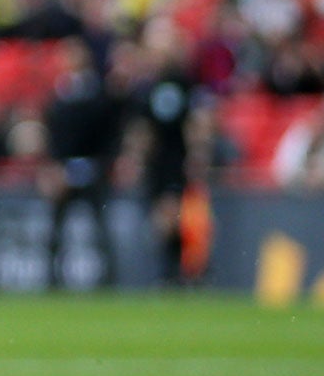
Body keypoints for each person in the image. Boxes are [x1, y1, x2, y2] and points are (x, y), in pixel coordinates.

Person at [120, 19, 212, 285]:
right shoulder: (146, 87)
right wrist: (134, 157)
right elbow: (141, 128)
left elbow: (196, 122)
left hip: (176, 159)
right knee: (162, 219)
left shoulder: (184, 82)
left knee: (171, 217)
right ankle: (176, 273)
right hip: (156, 163)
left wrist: (197, 154)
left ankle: (179, 273)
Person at [42, 35, 125, 290]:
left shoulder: (98, 93)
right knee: (56, 232)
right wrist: (55, 167)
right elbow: (53, 135)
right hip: (64, 169)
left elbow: (109, 133)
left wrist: (99, 164)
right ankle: (53, 280)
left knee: (100, 230)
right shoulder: (59, 93)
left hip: (93, 169)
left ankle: (107, 281)